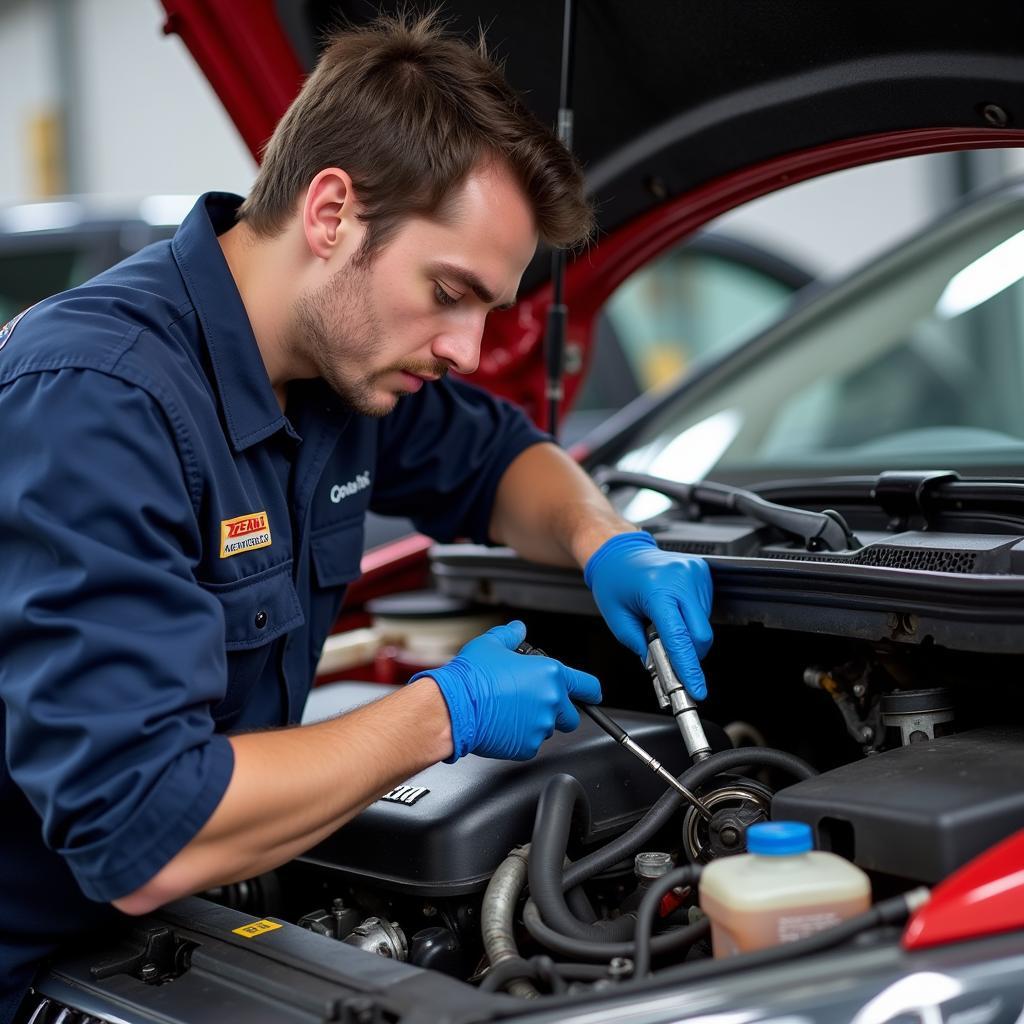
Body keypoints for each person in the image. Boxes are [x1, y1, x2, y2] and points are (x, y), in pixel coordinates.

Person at [0, 13, 712, 1020]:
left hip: (155, 941)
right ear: (331, 211)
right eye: (450, 291)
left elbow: (503, 459)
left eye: (491, 313)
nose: (466, 348)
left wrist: (608, 539)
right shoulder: (97, 398)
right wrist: (443, 712)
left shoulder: (341, 369)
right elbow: (140, 831)